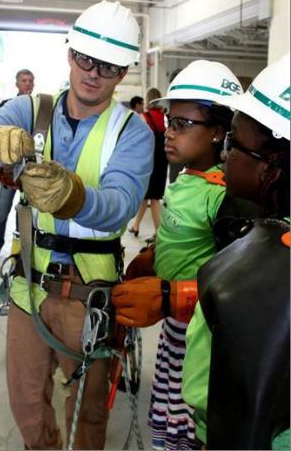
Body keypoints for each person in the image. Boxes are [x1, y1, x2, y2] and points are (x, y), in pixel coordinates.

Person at [0, 0, 153, 450]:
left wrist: (73, 197)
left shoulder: (132, 131)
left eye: (108, 67)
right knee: (27, 406)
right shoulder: (32, 109)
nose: (93, 73)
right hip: (28, 289)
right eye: (86, 59)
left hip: (88, 295)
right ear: (71, 53)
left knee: (89, 416)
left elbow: (119, 203)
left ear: (124, 70)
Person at [112, 60, 258, 450]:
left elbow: (243, 285)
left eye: (181, 124)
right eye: (168, 120)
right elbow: (184, 233)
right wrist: (155, 252)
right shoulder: (186, 177)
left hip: (201, 334)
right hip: (175, 330)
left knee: (188, 414)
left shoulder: (224, 195)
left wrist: (174, 293)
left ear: (217, 132)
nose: (168, 132)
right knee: (166, 403)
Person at [182, 53, 290, 450]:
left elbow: (243, 422)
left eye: (234, 143)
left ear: (270, 168)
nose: (225, 154)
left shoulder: (258, 278)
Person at [0, 69, 35, 262]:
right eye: (24, 80)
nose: (28, 84)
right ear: (17, 84)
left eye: (30, 81)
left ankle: (22, 251)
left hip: (30, 169)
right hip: (9, 169)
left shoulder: (39, 106)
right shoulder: (6, 106)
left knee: (27, 212)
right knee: (2, 209)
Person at [128, 88, 168, 239]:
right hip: (163, 161)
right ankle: (136, 225)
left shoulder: (143, 117)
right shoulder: (165, 117)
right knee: (148, 195)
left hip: (148, 162)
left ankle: (158, 234)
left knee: (154, 198)